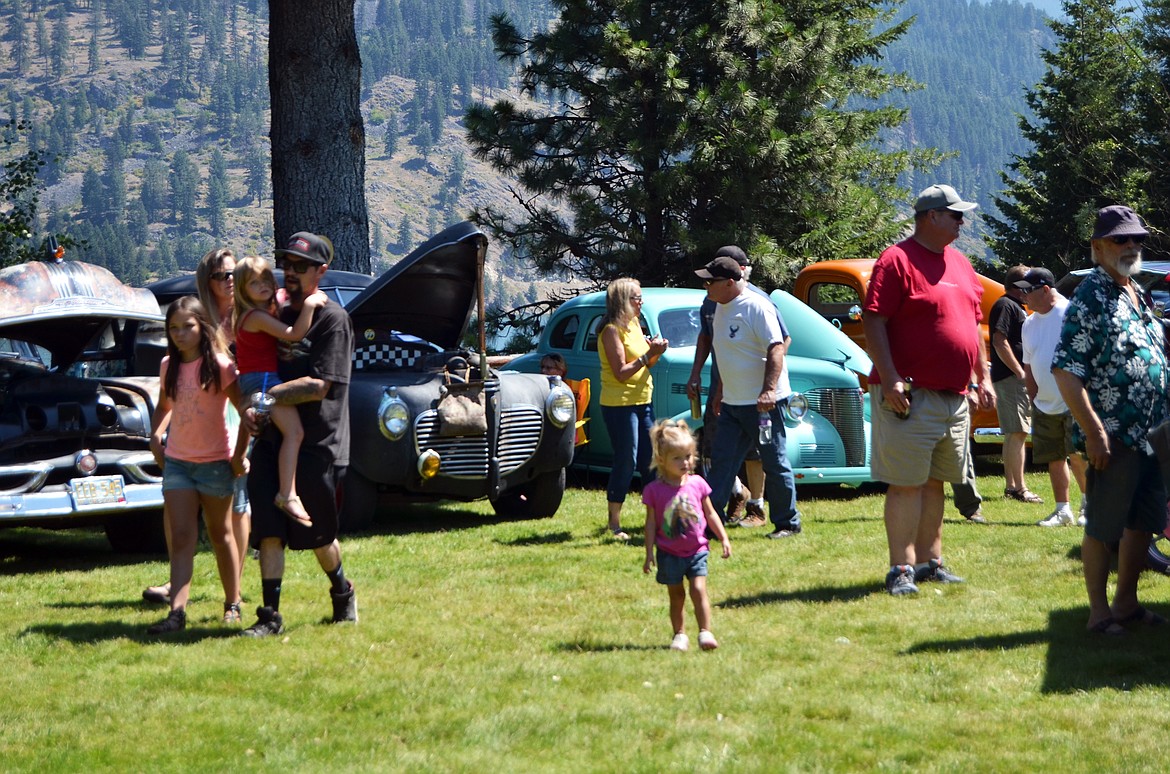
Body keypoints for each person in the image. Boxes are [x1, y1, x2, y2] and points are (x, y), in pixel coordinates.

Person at [863, 183, 995, 596]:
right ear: (931, 216)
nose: (961, 221)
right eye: (956, 215)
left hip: (954, 396)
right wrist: (889, 378)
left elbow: (972, 325)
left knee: (937, 481)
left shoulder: (960, 263)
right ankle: (900, 569)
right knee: (906, 484)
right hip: (911, 393)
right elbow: (874, 320)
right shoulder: (896, 259)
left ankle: (929, 562)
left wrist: (982, 377)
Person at [1052, 205, 1168, 635]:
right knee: (1104, 524)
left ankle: (1126, 604)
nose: (1131, 246)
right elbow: (1066, 370)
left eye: (1137, 239)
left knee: (1144, 522)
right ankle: (1098, 613)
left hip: (1154, 434)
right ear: (1097, 247)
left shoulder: (1136, 291)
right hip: (1114, 435)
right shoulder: (1090, 296)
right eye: (1121, 239)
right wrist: (1095, 431)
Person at [240, 231, 357, 637]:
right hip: (273, 439)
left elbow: (319, 386)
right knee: (269, 531)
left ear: (321, 271)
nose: (289, 271)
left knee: (320, 535)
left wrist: (267, 398)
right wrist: (249, 408)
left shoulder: (332, 320)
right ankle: (269, 617)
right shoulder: (276, 311)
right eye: (286, 263)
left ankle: (342, 592)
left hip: (319, 444)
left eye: (300, 266)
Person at [144, 247, 250, 607]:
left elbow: (244, 396)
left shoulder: (247, 320)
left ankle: (234, 591)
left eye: (234, 274)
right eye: (222, 275)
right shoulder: (173, 357)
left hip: (225, 432)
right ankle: (178, 599)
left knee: (231, 515)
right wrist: (157, 436)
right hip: (184, 448)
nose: (230, 281)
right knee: (181, 521)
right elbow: (168, 401)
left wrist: (241, 451)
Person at [696, 251, 801, 540]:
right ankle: (710, 525)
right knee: (722, 462)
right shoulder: (719, 307)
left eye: (711, 282)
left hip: (763, 406)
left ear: (730, 282)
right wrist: (720, 391)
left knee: (774, 462)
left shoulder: (757, 306)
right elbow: (725, 354)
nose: (707, 287)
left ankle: (787, 523)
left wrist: (769, 390)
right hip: (731, 403)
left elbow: (777, 347)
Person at [233, 254, 329, 527]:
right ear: (242, 290)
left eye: (266, 278)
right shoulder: (255, 317)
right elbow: (294, 334)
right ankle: (287, 493)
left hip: (259, 380)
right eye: (254, 283)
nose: (264, 285)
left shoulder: (255, 312)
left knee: (280, 435)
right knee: (295, 432)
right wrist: (310, 304)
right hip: (263, 383)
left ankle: (282, 490)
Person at [686, 246, 770, 529]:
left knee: (756, 451)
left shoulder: (758, 299)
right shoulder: (711, 299)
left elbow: (780, 342)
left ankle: (757, 506)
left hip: (753, 388)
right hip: (720, 385)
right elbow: (705, 337)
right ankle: (735, 495)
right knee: (714, 444)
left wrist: (768, 386)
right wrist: (696, 373)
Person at [642, 420, 731, 651]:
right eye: (678, 458)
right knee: (677, 595)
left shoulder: (698, 484)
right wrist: (649, 552)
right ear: (661, 459)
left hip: (697, 550)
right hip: (668, 553)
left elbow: (710, 513)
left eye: (689, 456)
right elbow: (651, 523)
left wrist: (723, 537)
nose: (685, 462)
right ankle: (679, 635)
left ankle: (705, 632)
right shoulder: (654, 491)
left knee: (698, 589)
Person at [1017, 267, 1088, 527]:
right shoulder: (1029, 323)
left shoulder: (1071, 313)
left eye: (1028, 290)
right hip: (1043, 403)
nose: (1023, 295)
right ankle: (1063, 510)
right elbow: (1028, 364)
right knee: (1054, 458)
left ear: (1046, 290)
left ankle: (1088, 507)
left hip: (1074, 400)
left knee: (1079, 455)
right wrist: (1033, 395)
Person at [598, 278, 669, 541]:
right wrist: (646, 355)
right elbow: (620, 373)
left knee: (650, 461)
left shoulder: (635, 326)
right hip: (619, 405)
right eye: (636, 298)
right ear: (622, 301)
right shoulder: (610, 331)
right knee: (626, 460)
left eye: (640, 298)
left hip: (643, 401)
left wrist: (656, 352)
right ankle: (614, 523)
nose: (641, 302)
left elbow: (647, 364)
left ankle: (656, 519)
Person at [990, 265, 1041, 504]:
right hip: (1011, 378)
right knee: (1019, 432)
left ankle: (1011, 487)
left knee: (1014, 433)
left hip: (1012, 377)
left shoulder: (1014, 306)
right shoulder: (1005, 305)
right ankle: (1020, 488)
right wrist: (1020, 371)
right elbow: (1000, 341)